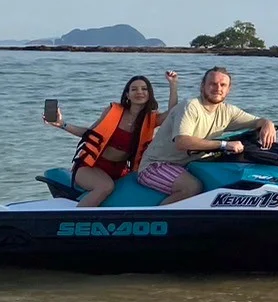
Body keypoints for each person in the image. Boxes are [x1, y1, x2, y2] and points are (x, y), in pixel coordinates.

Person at [135, 67, 277, 204]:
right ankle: (158, 218)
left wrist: (268, 124)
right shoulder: (190, 107)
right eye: (213, 84)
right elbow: (182, 142)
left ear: (229, 89)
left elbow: (257, 121)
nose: (218, 88)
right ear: (202, 86)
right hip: (156, 165)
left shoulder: (228, 111)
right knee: (192, 187)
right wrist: (224, 145)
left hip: (188, 165)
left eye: (223, 85)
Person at [43, 71, 179, 207]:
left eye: (144, 89)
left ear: (149, 94)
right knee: (105, 187)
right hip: (90, 166)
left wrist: (173, 84)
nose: (139, 92)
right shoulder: (112, 111)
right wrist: (63, 125)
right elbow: (89, 133)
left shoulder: (151, 119)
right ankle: (75, 217)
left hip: (120, 170)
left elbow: (173, 113)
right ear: (127, 95)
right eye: (134, 89)